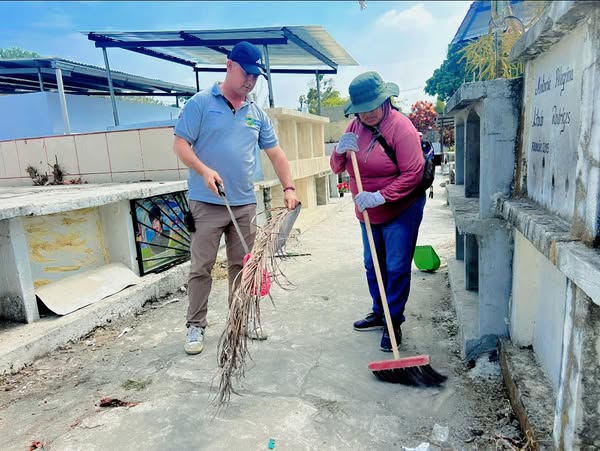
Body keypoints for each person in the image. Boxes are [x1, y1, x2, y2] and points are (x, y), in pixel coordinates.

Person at [173, 41, 300, 355]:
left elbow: (276, 153)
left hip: (244, 205)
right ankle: (195, 325)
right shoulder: (201, 103)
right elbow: (180, 145)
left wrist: (289, 188)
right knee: (201, 267)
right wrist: (204, 171)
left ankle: (241, 320)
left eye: (256, 76)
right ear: (229, 66)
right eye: (246, 73)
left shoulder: (256, 114)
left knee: (242, 266)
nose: (250, 81)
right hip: (206, 202)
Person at [330, 71, 426, 352]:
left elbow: (413, 173)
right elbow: (336, 168)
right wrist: (338, 151)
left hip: (401, 209)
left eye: (372, 106)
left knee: (396, 267)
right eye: (362, 109)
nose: (368, 113)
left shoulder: (401, 128)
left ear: (385, 100)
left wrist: (381, 196)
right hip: (367, 212)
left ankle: (393, 322)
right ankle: (379, 311)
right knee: (373, 264)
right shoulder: (353, 128)